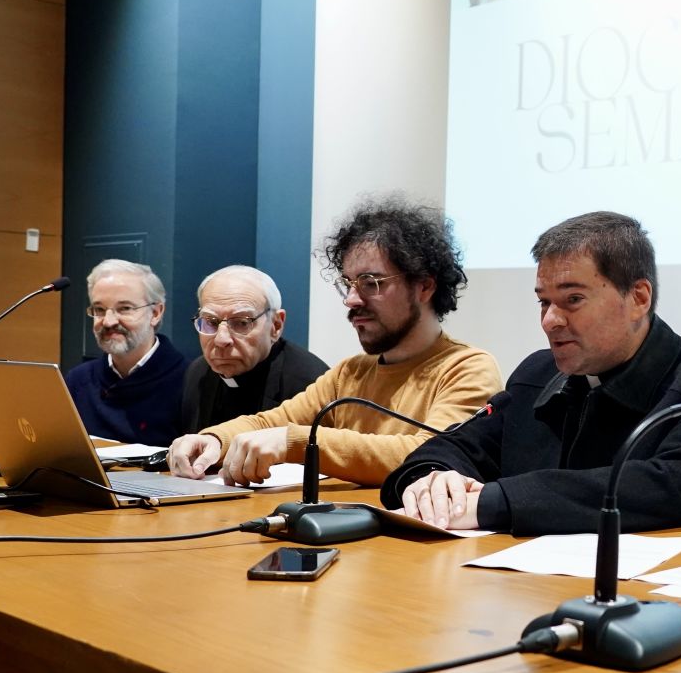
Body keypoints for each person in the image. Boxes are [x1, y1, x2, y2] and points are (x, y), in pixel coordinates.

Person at [381, 211, 681, 535]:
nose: (550, 321)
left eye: (573, 300)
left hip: (675, 599)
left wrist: (497, 501)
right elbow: (460, 445)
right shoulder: (537, 373)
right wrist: (433, 480)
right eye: (544, 301)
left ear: (639, 298)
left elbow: (677, 487)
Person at [167, 200, 500, 487]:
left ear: (424, 287)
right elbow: (272, 421)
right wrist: (212, 439)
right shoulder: (351, 373)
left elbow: (427, 454)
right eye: (349, 284)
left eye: (371, 283)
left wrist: (296, 442)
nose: (351, 299)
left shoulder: (467, 368)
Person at [179, 265, 328, 433]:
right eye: (211, 322)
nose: (221, 339)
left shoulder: (312, 385)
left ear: (276, 325)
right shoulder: (198, 372)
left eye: (242, 323)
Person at [65, 259, 188, 444]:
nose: (108, 321)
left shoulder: (189, 381)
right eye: (99, 310)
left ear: (155, 313)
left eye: (124, 309)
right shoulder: (78, 380)